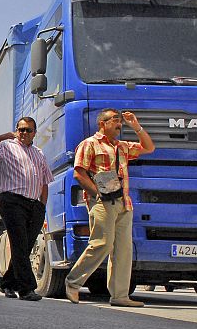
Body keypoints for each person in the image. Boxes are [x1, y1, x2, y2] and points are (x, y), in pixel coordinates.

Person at [64, 109, 155, 307]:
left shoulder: (122, 146)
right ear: (102, 124)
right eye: (114, 120)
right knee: (101, 243)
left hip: (123, 201)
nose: (119, 123)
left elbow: (149, 148)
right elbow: (79, 173)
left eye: (119, 120)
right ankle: (73, 282)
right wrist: (97, 193)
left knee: (123, 250)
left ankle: (120, 295)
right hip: (102, 202)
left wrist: (136, 126)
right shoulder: (89, 144)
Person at [0, 117, 52, 301]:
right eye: (21, 129)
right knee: (18, 243)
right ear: (16, 130)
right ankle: (26, 289)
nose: (24, 133)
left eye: (28, 130)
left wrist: (42, 205)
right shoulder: (6, 147)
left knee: (25, 247)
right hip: (12, 202)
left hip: (34, 205)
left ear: (34, 132)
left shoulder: (39, 153)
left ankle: (8, 283)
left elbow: (44, 181)